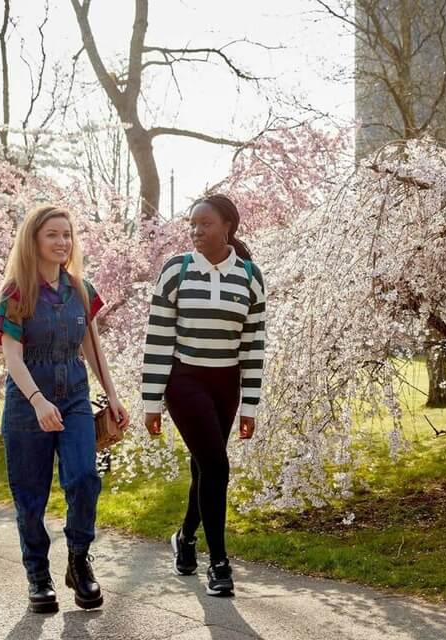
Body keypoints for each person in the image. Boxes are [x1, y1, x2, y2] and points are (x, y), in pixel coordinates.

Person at [0, 204, 129, 613]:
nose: (62, 242)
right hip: (26, 403)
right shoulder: (15, 292)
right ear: (33, 239)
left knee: (85, 477)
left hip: (73, 397)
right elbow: (12, 357)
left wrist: (113, 392)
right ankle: (38, 576)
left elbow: (91, 345)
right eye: (53, 234)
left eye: (67, 234)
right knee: (31, 497)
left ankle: (78, 561)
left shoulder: (80, 288)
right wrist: (37, 401)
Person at [141, 193, 267, 597]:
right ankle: (219, 563)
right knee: (216, 466)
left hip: (227, 384)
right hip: (185, 382)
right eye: (192, 224)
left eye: (205, 223)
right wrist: (151, 400)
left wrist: (249, 404)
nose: (196, 231)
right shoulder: (175, 271)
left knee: (204, 469)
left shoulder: (249, 276)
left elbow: (253, 346)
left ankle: (185, 537)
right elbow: (158, 339)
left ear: (227, 225)